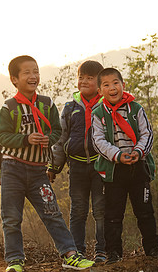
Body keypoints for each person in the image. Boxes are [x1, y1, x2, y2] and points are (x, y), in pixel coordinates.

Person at [0, 55, 94, 272]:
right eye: (27, 73)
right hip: (12, 169)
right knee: (11, 218)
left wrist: (46, 140)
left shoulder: (47, 103)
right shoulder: (9, 107)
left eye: (36, 71)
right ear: (14, 79)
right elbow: (3, 137)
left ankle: (70, 255)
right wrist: (26, 139)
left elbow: (57, 132)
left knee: (52, 213)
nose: (33, 76)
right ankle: (14, 261)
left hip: (38, 171)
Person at [91, 68, 158, 264]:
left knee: (145, 211)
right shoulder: (98, 113)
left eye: (115, 83)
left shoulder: (136, 108)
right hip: (114, 170)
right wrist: (118, 155)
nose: (112, 88)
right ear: (100, 91)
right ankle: (113, 253)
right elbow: (98, 141)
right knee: (113, 214)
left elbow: (147, 134)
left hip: (138, 166)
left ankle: (152, 248)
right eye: (106, 85)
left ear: (123, 85)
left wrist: (138, 152)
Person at [47, 60, 106, 263]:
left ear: (99, 82)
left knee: (101, 210)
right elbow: (61, 138)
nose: (84, 81)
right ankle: (77, 251)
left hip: (102, 166)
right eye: (81, 77)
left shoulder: (106, 105)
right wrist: (54, 167)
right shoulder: (70, 107)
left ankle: (102, 251)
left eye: (90, 78)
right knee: (78, 210)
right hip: (77, 166)